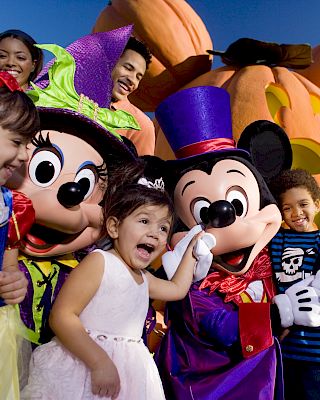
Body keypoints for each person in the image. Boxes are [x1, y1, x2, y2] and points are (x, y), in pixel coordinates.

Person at [21, 160, 203, 400]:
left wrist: (193, 249)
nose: (154, 233)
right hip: (85, 367)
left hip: (129, 378)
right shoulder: (101, 262)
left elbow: (178, 289)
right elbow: (62, 316)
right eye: (144, 221)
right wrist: (98, 362)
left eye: (163, 228)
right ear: (115, 227)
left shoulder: (144, 278)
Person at [0, 71, 39, 399]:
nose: (26, 155)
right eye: (17, 142)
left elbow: (9, 267)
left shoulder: (11, 206)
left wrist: (14, 283)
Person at [269, 168, 320, 400]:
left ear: (317, 205)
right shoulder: (278, 238)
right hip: (284, 349)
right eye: (287, 208)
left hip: (316, 354)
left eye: (303, 204)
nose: (296, 213)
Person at [111, 36, 156, 156]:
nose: (132, 80)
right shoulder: (75, 97)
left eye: (138, 77)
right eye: (128, 68)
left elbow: (141, 172)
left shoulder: (141, 125)